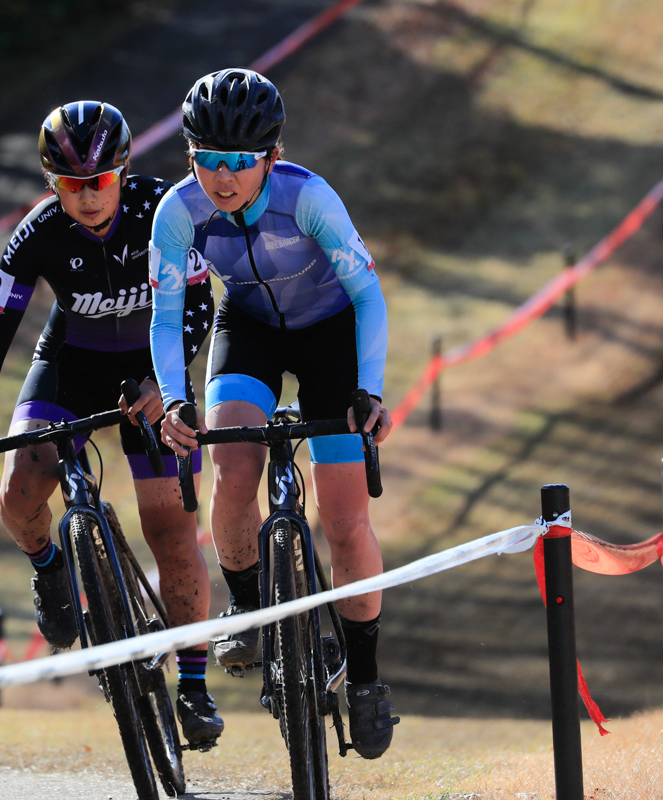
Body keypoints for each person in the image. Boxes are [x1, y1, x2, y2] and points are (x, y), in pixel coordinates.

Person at [0, 100, 222, 745]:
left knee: (170, 531)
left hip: (153, 367)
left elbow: (201, 305)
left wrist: (168, 383)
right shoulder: (37, 233)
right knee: (19, 491)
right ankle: (50, 567)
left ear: (122, 172)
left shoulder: (165, 209)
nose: (88, 197)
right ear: (52, 185)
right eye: (71, 185)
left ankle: (192, 684)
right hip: (71, 364)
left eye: (99, 181)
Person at [149, 69, 400, 759]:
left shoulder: (310, 198)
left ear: (271, 155)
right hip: (250, 326)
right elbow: (167, 319)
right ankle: (252, 605)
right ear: (190, 156)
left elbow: (369, 296)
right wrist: (176, 400)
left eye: (240, 162)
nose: (223, 178)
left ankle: (368, 678)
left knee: (345, 519)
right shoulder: (176, 213)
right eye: (207, 160)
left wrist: (370, 391)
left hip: (330, 331)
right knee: (230, 466)